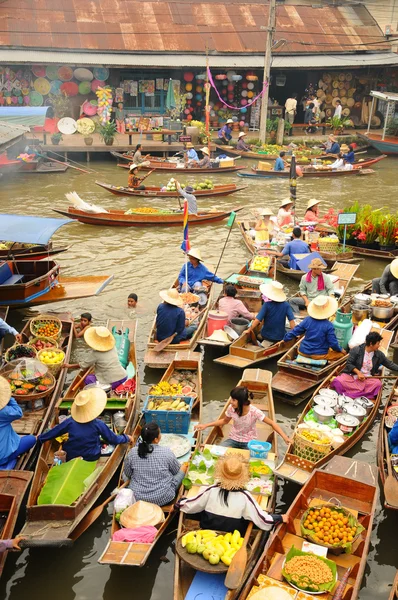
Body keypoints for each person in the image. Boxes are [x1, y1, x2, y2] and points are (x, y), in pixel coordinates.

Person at [179, 453, 288, 535]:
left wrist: (180, 503)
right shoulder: (245, 497)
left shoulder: (210, 490)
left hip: (207, 531)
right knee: (249, 517)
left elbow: (191, 505)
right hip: (232, 535)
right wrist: (279, 518)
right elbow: (262, 519)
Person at [38, 387, 132, 461]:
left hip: (71, 455)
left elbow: (55, 431)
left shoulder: (70, 422)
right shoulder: (98, 424)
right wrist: (127, 438)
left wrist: (40, 438)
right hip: (91, 456)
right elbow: (112, 438)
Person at [195, 386, 292, 449]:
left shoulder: (254, 412)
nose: (230, 402)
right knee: (217, 452)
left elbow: (272, 423)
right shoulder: (231, 408)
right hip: (233, 439)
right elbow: (224, 421)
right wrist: (205, 425)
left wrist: (285, 438)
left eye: (233, 400)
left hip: (249, 442)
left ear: (241, 401)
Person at [123, 422, 186, 506]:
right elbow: (175, 471)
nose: (161, 435)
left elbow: (128, 474)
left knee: (124, 473)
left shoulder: (132, 452)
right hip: (163, 497)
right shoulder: (166, 452)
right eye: (160, 434)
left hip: (138, 498)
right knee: (182, 469)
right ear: (156, 439)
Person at [331, 331, 398, 399]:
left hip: (367, 379)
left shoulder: (379, 355)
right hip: (353, 376)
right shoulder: (356, 350)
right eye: (378, 343)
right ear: (371, 344)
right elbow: (349, 364)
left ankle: (352, 394)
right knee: (338, 381)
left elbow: (389, 364)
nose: (379, 345)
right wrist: (358, 373)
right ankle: (359, 395)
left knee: (378, 384)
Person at [63, 326, 127, 389]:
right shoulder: (113, 347)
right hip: (123, 376)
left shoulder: (95, 354)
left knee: (88, 379)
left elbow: (83, 365)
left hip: (112, 382)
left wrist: (69, 366)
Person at [283, 295, 345, 361]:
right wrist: (341, 349)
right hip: (319, 355)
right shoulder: (329, 325)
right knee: (342, 355)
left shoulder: (307, 320)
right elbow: (333, 343)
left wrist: (285, 339)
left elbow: (294, 332)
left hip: (302, 351)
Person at [0, 376, 36, 470]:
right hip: (3, 456)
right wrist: (9, 397)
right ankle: (8, 461)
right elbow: (18, 412)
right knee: (31, 439)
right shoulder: (3, 412)